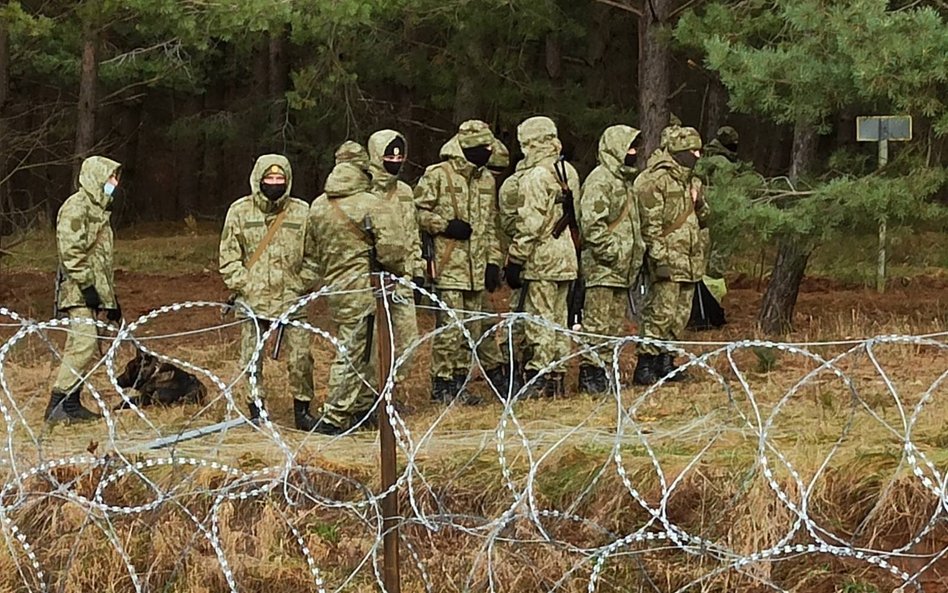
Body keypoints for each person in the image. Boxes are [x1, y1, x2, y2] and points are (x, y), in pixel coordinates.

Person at [304, 154, 410, 434]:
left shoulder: (317, 206)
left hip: (337, 287)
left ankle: (362, 407)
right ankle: (334, 416)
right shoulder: (371, 204)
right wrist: (396, 270)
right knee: (355, 352)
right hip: (367, 286)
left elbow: (312, 251)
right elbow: (392, 249)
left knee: (362, 348)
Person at [414, 120, 507, 403]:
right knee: (450, 331)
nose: (488, 152)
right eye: (483, 147)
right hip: (449, 265)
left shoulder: (486, 179)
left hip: (477, 267)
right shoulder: (438, 175)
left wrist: (493, 262)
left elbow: (490, 224)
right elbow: (416, 212)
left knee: (473, 329)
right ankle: (442, 385)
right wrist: (443, 225)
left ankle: (460, 381)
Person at [219, 155, 315, 429]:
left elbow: (314, 256)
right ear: (258, 179)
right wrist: (246, 285)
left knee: (301, 358)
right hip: (253, 300)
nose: (274, 184)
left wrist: (300, 283)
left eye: (279, 179)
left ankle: (302, 410)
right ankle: (256, 409)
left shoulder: (301, 212)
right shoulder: (239, 211)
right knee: (251, 359)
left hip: (291, 299)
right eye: (269, 179)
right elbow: (228, 258)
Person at [505, 116, 580, 397]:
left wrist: (515, 258)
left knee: (540, 319)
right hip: (565, 257)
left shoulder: (535, 176)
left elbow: (530, 225)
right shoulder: (567, 171)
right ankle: (557, 377)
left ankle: (540, 375)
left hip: (542, 259)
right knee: (560, 320)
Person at [46, 156, 123, 423]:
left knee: (82, 347)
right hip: (77, 290)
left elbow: (102, 262)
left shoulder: (100, 212)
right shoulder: (77, 207)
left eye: (116, 178)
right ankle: (58, 403)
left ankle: (71, 403)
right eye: (111, 177)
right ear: (96, 177)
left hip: (92, 291)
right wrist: (88, 286)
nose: (115, 183)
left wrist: (110, 300)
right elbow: (71, 252)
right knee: (83, 343)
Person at [632, 127, 709, 385]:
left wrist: (698, 202)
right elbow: (650, 227)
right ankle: (646, 364)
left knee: (679, 316)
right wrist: (659, 260)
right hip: (666, 261)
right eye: (692, 151)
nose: (697, 156)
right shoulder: (654, 180)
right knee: (659, 314)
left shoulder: (691, 181)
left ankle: (667, 361)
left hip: (689, 261)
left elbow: (705, 219)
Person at [577, 125, 645, 394]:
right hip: (603, 269)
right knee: (597, 325)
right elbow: (592, 226)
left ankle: (606, 371)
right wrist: (614, 253)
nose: (633, 153)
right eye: (628, 148)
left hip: (621, 270)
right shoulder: (600, 180)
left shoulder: (624, 182)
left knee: (613, 327)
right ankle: (590, 374)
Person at [366, 130, 425, 381]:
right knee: (373, 343)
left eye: (399, 157)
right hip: (369, 278)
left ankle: (392, 385)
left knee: (409, 337)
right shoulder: (363, 190)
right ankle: (373, 395)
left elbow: (412, 233)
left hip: (402, 276)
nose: (395, 161)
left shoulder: (404, 191)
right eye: (388, 156)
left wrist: (418, 269)